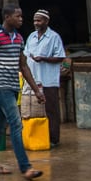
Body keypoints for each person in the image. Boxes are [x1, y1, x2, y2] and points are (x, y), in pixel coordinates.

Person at [0, 3, 46, 181]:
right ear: (7, 17)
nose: (21, 19)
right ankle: (25, 167)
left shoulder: (18, 38)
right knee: (16, 124)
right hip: (1, 86)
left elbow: (23, 66)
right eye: (18, 16)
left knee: (0, 125)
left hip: (13, 86)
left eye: (21, 16)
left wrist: (36, 90)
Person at [24, 9, 66, 148]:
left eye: (39, 20)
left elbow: (60, 57)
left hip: (48, 80)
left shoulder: (54, 37)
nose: (36, 23)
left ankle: (53, 139)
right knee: (35, 111)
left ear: (46, 21)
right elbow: (25, 54)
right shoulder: (31, 36)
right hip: (33, 80)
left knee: (51, 110)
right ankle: (39, 137)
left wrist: (44, 58)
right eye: (35, 20)